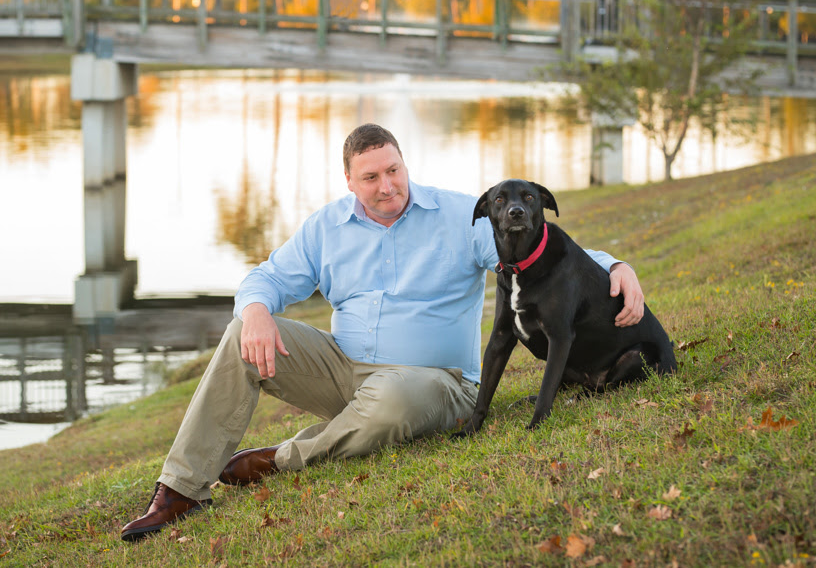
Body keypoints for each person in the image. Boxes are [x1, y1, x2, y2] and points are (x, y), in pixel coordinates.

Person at [120, 123, 645, 541]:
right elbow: (269, 277)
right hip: (345, 369)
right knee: (242, 330)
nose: (387, 185)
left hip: (436, 383)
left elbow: (545, 252)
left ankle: (279, 459)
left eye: (393, 170)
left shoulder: (459, 215)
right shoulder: (326, 227)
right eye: (371, 177)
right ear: (350, 181)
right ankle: (181, 490)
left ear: (404, 165)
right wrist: (254, 307)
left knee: (391, 396)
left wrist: (612, 266)